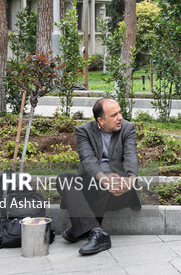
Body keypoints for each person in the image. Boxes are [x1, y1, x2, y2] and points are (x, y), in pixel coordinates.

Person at [57, 98, 141, 255]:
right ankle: (96, 232)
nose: (120, 117)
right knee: (64, 179)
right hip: (95, 184)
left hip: (120, 190)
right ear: (101, 121)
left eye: (120, 112)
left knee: (112, 181)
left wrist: (130, 180)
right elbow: (88, 160)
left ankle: (81, 228)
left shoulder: (127, 128)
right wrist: (103, 179)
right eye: (114, 115)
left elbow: (131, 155)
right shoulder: (84, 131)